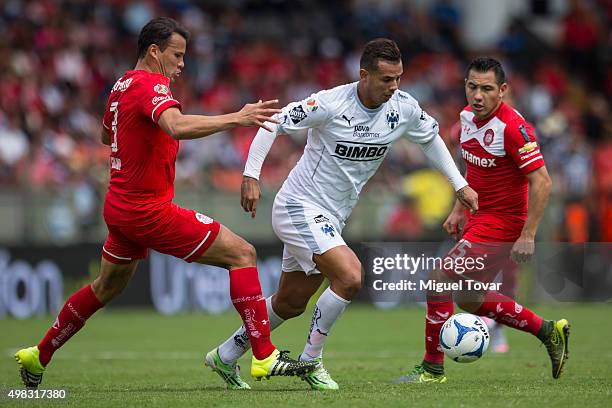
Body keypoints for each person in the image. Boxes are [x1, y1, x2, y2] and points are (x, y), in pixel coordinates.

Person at [14, 17, 318, 389]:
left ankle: (38, 354)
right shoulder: (149, 84)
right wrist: (237, 118)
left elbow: (104, 133)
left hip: (120, 205)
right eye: (177, 54)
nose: (182, 63)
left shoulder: (122, 84)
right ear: (154, 51)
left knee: (105, 288)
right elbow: (175, 126)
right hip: (147, 209)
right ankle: (264, 354)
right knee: (242, 254)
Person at [204, 38, 478, 391]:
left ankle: (225, 356)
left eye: (399, 79)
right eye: (386, 80)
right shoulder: (330, 103)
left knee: (290, 303)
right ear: (364, 75)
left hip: (332, 217)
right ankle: (311, 360)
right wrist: (251, 174)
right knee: (350, 276)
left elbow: (430, 138)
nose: (394, 87)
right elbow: (274, 122)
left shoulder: (403, 108)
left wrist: (458, 184)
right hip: (298, 206)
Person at [397, 57, 569, 384]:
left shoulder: (513, 129)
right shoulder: (466, 118)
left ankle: (432, 368)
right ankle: (549, 332)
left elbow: (543, 181)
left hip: (503, 223)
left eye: (487, 89)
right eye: (472, 86)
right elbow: (473, 169)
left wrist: (528, 234)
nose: (478, 95)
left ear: (502, 91)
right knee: (469, 299)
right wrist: (459, 209)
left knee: (439, 278)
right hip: (479, 217)